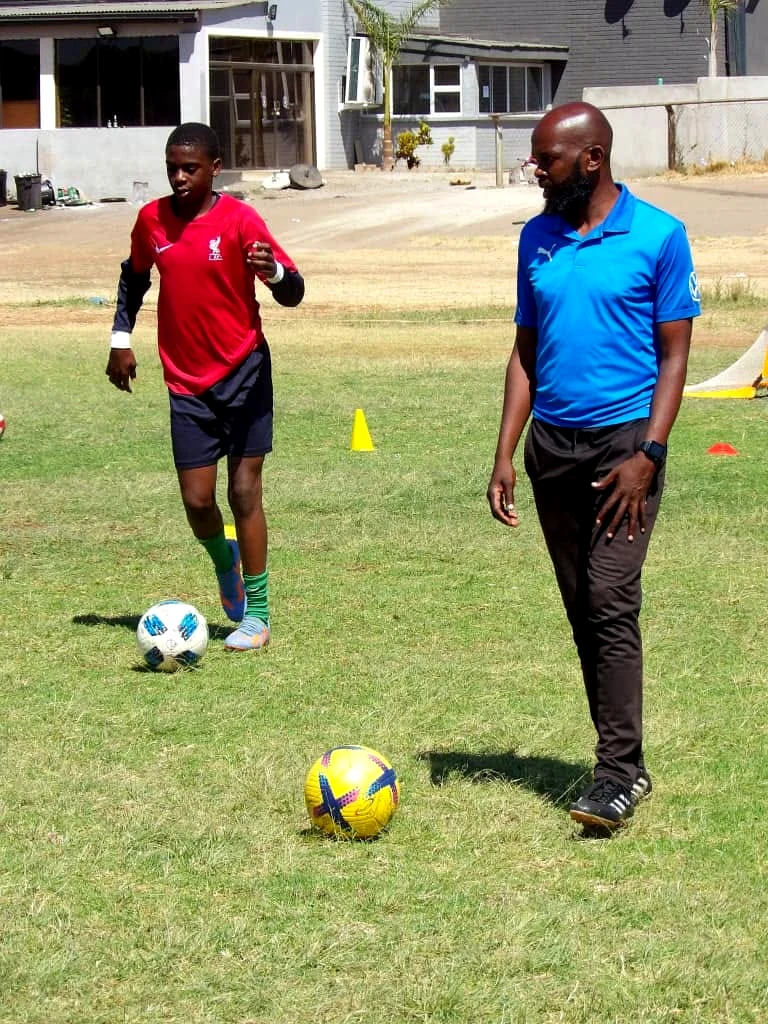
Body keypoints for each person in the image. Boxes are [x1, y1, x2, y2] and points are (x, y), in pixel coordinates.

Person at [487, 102, 700, 830]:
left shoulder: (659, 237)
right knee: (584, 607)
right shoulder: (537, 240)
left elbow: (675, 355)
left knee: (610, 598)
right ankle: (622, 760)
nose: (535, 171)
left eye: (546, 159)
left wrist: (651, 452)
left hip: (624, 448)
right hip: (552, 446)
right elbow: (526, 350)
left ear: (592, 160)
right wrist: (505, 452)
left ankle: (618, 774)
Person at [106, 122, 304, 652]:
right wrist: (119, 339)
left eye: (190, 168)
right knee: (197, 502)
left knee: (244, 491)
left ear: (215, 167)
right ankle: (226, 562)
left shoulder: (241, 220)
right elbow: (135, 277)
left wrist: (276, 275)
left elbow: (293, 291)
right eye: (172, 167)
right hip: (185, 381)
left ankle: (257, 616)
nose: (178, 177)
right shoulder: (152, 220)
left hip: (244, 370)